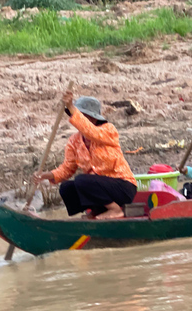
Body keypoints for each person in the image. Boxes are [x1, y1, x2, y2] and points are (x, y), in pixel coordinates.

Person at [33, 90, 137, 219]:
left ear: (93, 118)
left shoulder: (108, 130)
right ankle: (97, 211)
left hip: (123, 187)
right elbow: (67, 169)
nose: (77, 119)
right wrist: (45, 175)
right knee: (67, 188)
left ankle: (115, 210)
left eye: (82, 116)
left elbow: (91, 132)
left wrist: (71, 107)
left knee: (83, 180)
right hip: (99, 188)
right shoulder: (74, 141)